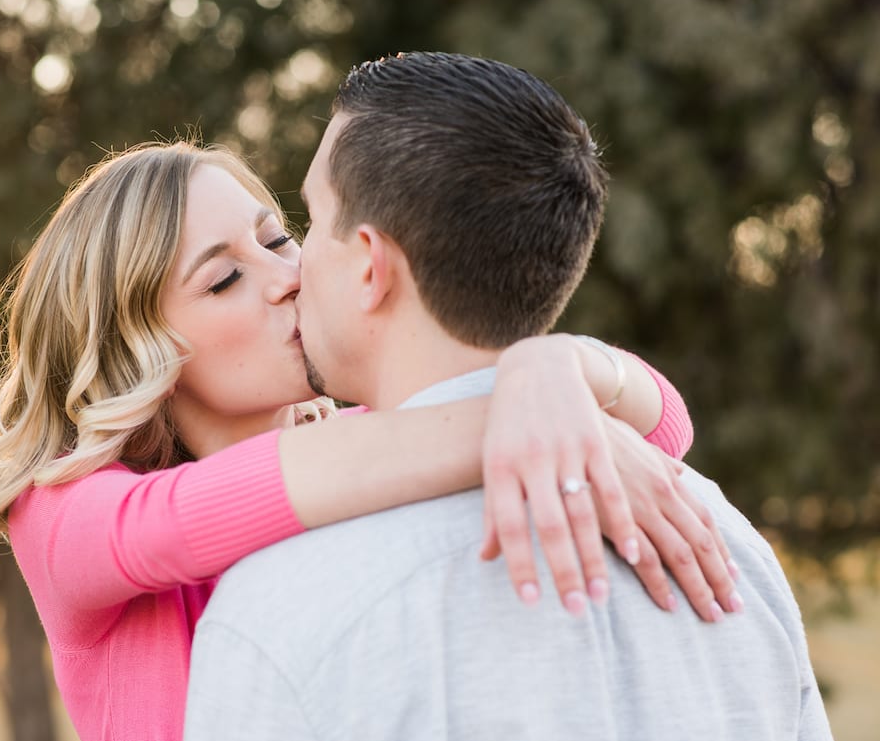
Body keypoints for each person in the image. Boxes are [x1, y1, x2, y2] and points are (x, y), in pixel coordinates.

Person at [0, 137, 730, 741]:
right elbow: (186, 515)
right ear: (139, 351)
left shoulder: (381, 443)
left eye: (277, 239)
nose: (287, 276)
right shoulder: (62, 516)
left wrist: (555, 366)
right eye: (223, 279)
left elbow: (666, 426)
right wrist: (523, 414)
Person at [184, 53, 832, 740]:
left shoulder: (281, 607)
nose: (292, 271)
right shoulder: (728, 544)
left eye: (309, 223)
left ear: (371, 266)